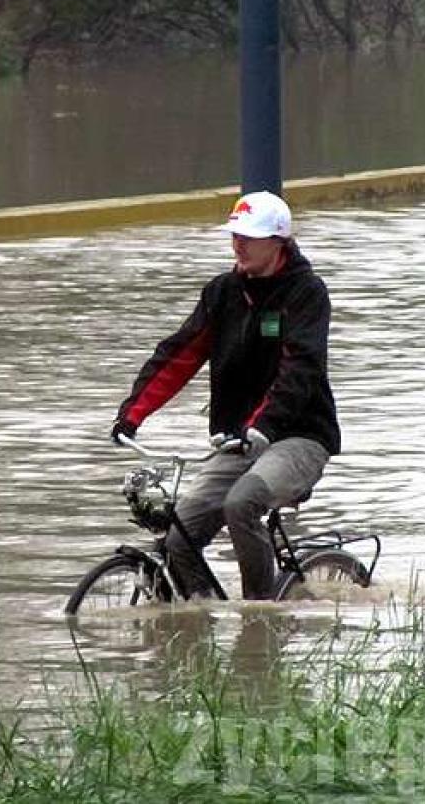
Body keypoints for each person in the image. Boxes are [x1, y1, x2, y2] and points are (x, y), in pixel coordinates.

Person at [110, 190, 341, 598]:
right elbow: (177, 356)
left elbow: (299, 370)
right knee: (179, 537)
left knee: (242, 503)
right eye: (234, 234)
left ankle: (260, 616)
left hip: (299, 437)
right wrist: (132, 415)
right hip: (237, 440)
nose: (238, 244)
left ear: (278, 240)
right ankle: (200, 610)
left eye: (249, 236)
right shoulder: (222, 293)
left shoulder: (306, 293)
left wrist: (261, 427)